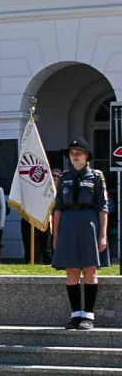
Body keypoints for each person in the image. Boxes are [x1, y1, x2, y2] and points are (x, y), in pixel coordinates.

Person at [52, 138, 109, 330]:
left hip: (89, 223)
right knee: (72, 270)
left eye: (78, 153)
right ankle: (75, 314)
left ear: (86, 156)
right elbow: (58, 208)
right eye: (71, 153)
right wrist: (55, 235)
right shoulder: (65, 177)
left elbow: (103, 207)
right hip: (68, 223)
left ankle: (88, 316)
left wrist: (103, 234)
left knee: (90, 269)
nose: (74, 156)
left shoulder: (96, 177)